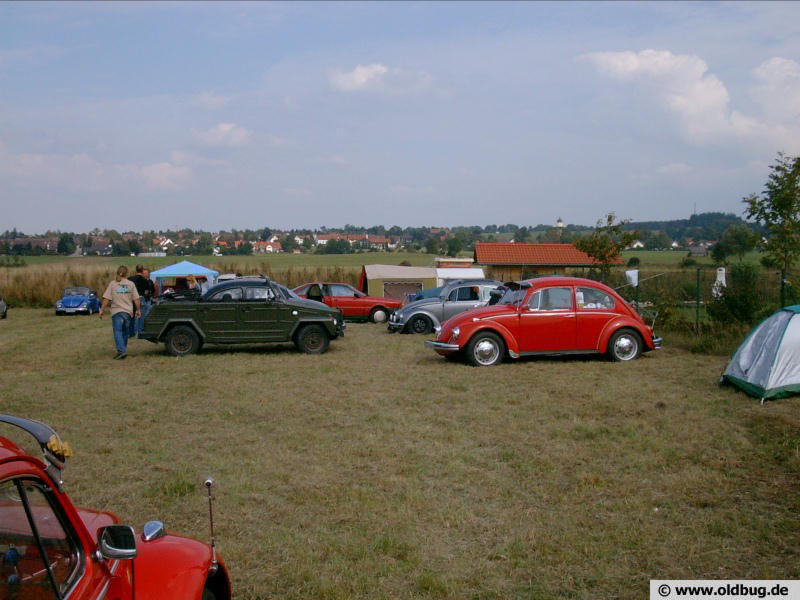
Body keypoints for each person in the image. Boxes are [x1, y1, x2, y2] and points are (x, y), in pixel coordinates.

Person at [99, 265, 141, 360]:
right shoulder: (131, 284)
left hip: (117, 312)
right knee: (125, 333)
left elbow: (106, 299)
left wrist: (102, 309)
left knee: (118, 331)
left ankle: (122, 351)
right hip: (127, 312)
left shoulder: (113, 284)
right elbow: (136, 299)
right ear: (126, 273)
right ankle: (123, 350)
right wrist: (138, 310)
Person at [129, 264, 155, 335]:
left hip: (131, 299)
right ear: (142, 270)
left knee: (132, 315)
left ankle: (132, 332)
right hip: (141, 298)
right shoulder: (145, 280)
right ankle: (139, 331)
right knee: (141, 316)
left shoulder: (130, 279)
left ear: (136, 269)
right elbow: (146, 292)